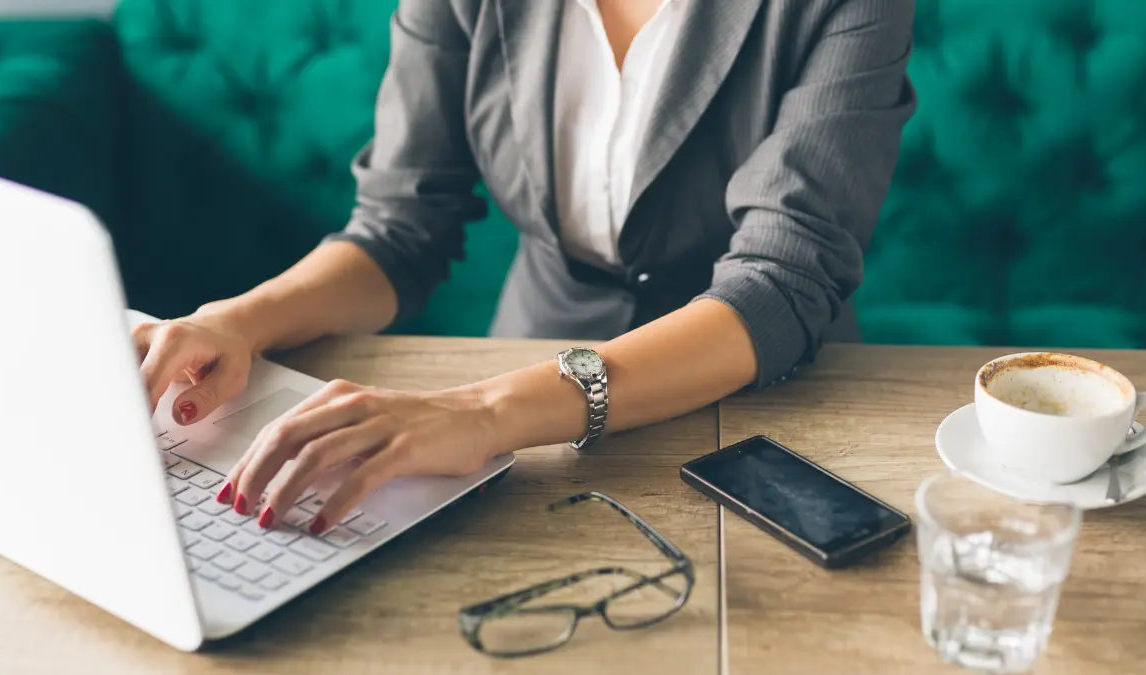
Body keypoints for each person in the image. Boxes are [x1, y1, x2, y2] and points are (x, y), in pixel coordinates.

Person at [134, 0, 916, 534]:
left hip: (759, 395)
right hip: (532, 380)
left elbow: (783, 281)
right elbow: (401, 228)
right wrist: (233, 319)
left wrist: (482, 413)